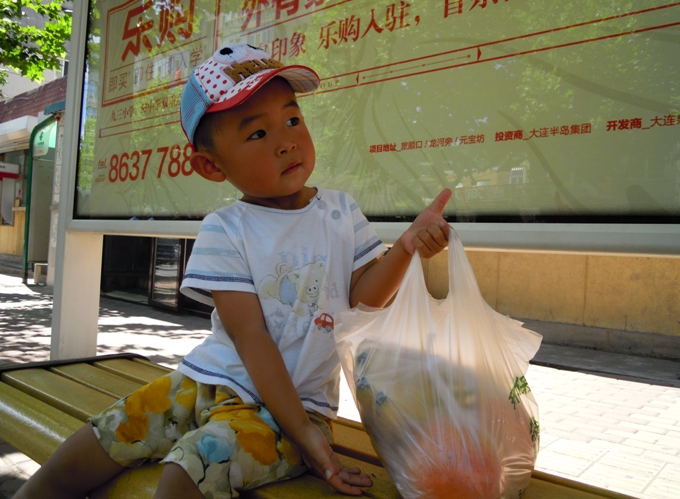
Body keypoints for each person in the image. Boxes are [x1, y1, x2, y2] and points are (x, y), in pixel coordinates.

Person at [15, 43, 452, 499]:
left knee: (187, 469)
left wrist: (405, 248)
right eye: (257, 134)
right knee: (111, 429)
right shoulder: (226, 228)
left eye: (292, 119)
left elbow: (362, 301)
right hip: (204, 381)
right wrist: (306, 440)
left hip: (293, 411)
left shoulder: (340, 212)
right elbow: (251, 337)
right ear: (211, 166)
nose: (286, 140)